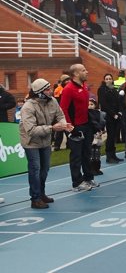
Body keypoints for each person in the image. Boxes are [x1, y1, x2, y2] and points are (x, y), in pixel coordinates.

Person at [19, 78, 70, 209]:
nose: (50, 91)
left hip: (45, 140)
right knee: (35, 169)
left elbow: (60, 115)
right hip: (31, 142)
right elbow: (31, 130)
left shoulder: (52, 101)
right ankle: (35, 198)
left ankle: (41, 193)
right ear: (40, 92)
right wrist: (52, 128)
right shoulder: (28, 107)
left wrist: (64, 125)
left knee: (45, 169)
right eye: (47, 89)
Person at [59, 64, 99, 191]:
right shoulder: (68, 89)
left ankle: (88, 178)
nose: (86, 72)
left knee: (87, 153)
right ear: (76, 74)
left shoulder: (84, 86)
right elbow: (63, 109)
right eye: (83, 70)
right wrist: (70, 127)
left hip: (86, 125)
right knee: (76, 155)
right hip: (76, 127)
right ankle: (77, 182)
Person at [98, 73, 122, 163]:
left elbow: (118, 101)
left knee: (114, 135)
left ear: (112, 80)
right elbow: (103, 104)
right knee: (110, 136)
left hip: (116, 115)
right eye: (106, 79)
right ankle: (109, 156)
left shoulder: (114, 89)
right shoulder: (101, 90)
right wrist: (113, 114)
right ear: (104, 80)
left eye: (110, 79)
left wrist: (119, 112)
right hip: (108, 116)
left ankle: (113, 155)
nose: (108, 80)